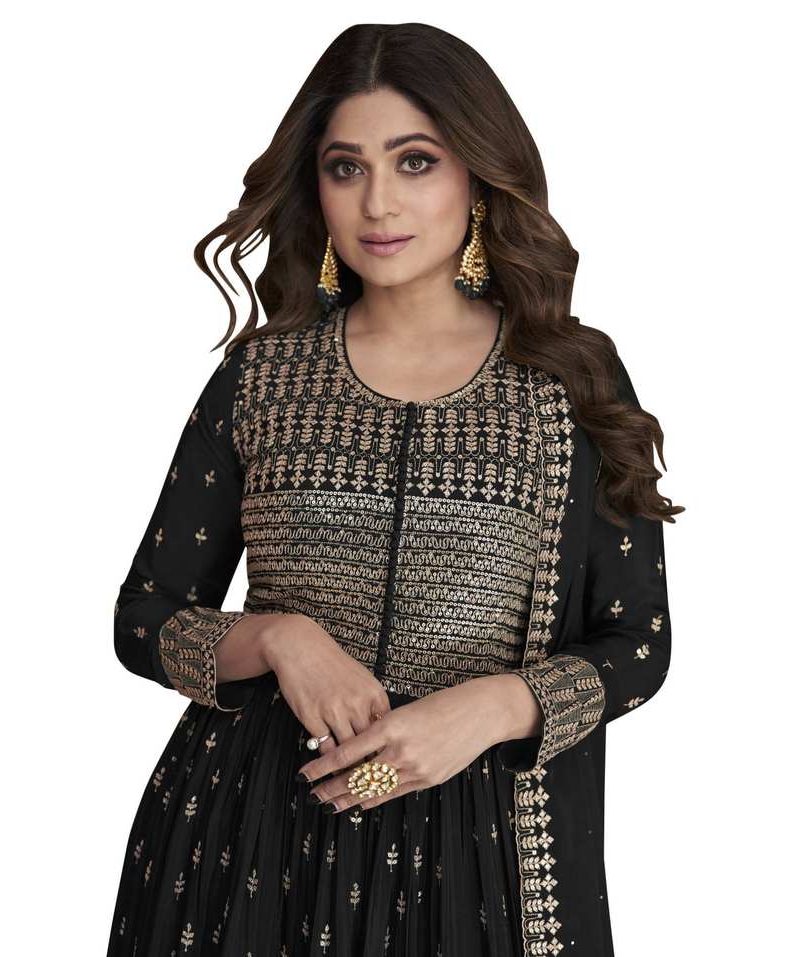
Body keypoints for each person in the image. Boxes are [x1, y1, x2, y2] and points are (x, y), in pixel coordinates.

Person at [106, 22, 679, 957]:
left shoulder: (566, 381)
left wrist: (489, 708)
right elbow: (144, 616)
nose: (378, 201)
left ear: (477, 176)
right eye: (347, 168)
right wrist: (280, 638)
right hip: (247, 846)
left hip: (486, 861)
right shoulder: (262, 377)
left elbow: (639, 642)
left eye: (416, 161)